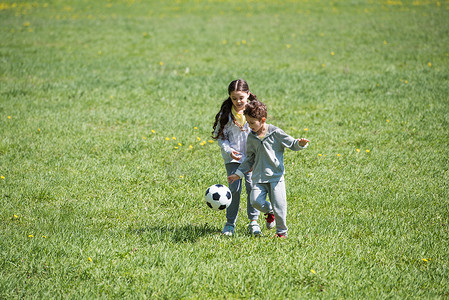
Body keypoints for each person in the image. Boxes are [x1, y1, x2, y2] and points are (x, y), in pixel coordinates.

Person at [227, 100, 309, 238]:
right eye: (248, 122)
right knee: (255, 201)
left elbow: (291, 143)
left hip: (276, 177)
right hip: (258, 178)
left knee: (280, 206)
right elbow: (249, 159)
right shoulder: (251, 137)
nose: (250, 126)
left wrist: (300, 144)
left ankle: (281, 233)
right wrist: (238, 174)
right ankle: (271, 211)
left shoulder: (276, 133)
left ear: (262, 120)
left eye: (252, 122)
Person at [212, 79, 262, 236]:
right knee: (234, 189)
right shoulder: (226, 114)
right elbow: (219, 137)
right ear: (230, 97)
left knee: (252, 188)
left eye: (241, 97)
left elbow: (262, 132)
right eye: (234, 98)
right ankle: (229, 224)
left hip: (252, 158)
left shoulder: (254, 112)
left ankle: (253, 222)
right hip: (232, 158)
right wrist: (229, 150)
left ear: (247, 94)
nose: (238, 101)